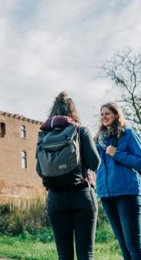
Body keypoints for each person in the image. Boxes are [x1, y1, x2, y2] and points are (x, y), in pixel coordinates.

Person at [41, 92, 100, 260]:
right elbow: (95, 164)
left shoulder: (44, 135)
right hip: (82, 194)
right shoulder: (81, 131)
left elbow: (40, 170)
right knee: (86, 255)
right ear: (73, 111)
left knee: (64, 256)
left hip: (55, 198)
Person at [95, 102, 141, 260]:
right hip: (106, 195)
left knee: (133, 245)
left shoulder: (128, 134)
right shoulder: (98, 140)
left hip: (127, 194)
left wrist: (117, 153)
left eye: (107, 113)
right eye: (101, 114)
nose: (104, 117)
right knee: (123, 245)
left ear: (116, 115)